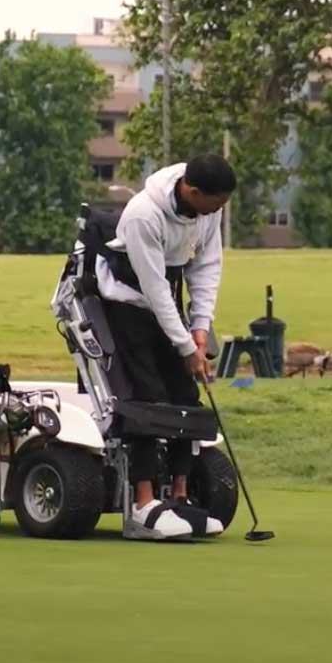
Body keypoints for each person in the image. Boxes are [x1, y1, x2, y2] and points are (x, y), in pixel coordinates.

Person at [97, 154, 235, 540]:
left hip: (166, 299)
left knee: (185, 396)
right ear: (193, 191)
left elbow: (207, 266)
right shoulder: (144, 214)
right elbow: (154, 288)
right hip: (127, 303)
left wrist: (200, 329)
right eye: (216, 203)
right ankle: (143, 505)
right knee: (149, 399)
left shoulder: (208, 210)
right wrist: (186, 347)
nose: (218, 211)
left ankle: (179, 496)